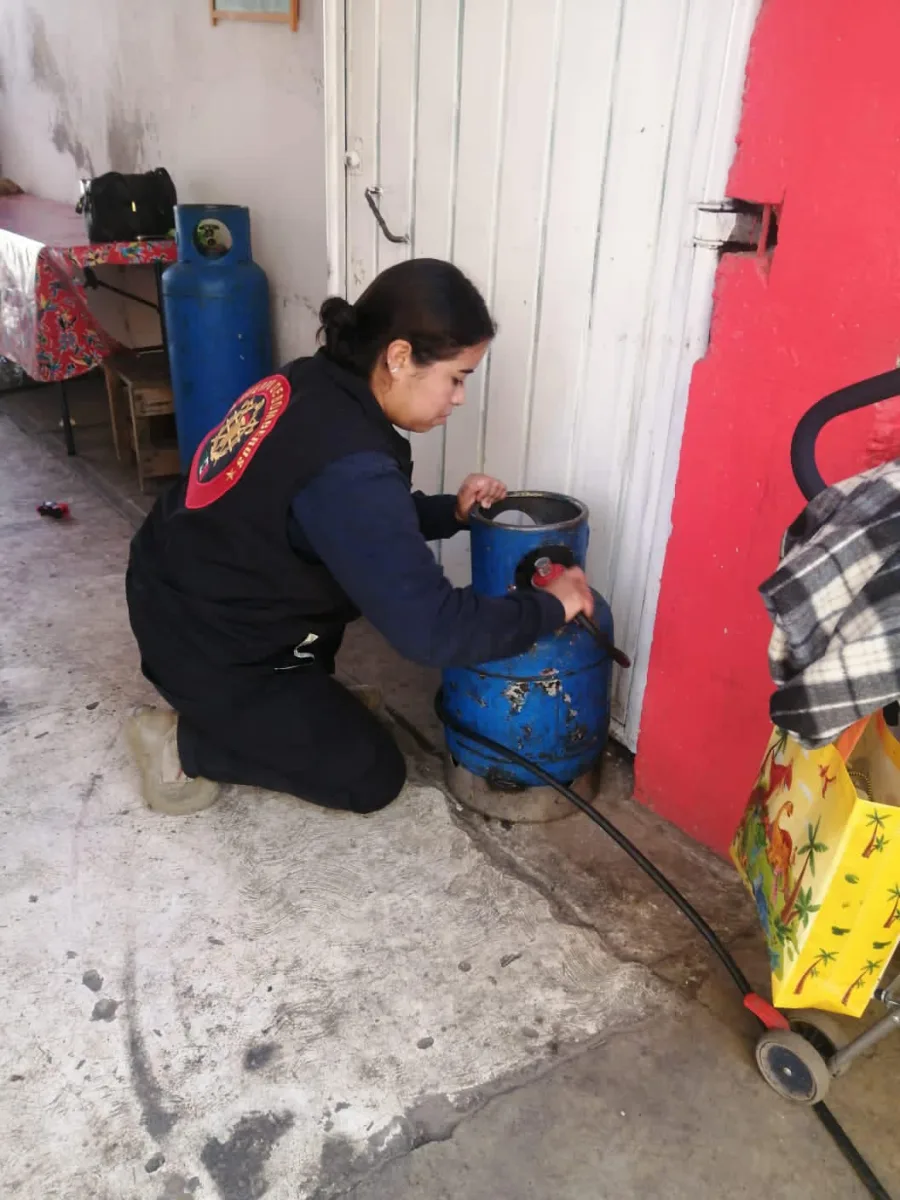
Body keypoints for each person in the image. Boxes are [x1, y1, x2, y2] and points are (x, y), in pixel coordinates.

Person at [125, 258, 594, 817]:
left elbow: (341, 519)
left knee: (327, 711)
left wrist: (453, 513)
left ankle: (290, 705)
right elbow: (432, 631)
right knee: (370, 775)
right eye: (457, 377)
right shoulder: (349, 464)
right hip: (209, 644)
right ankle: (183, 744)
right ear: (398, 358)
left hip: (179, 585)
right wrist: (548, 607)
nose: (460, 397)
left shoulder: (313, 381)